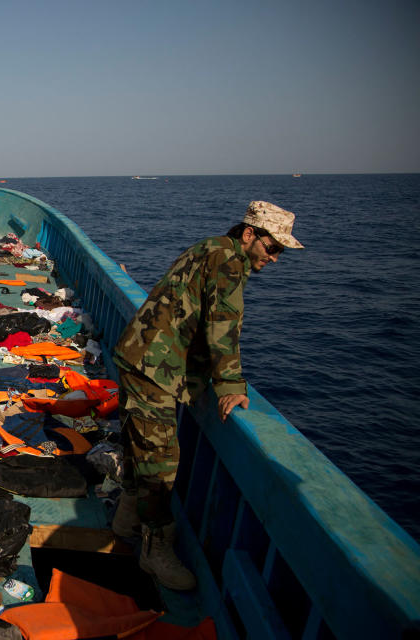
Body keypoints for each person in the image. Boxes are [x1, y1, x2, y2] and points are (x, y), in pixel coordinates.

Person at [110, 200, 303, 590]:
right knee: (159, 463)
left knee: (140, 446)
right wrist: (230, 383)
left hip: (141, 357)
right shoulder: (229, 262)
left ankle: (126, 518)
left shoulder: (212, 248)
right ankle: (154, 551)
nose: (276, 258)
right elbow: (223, 326)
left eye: (281, 250)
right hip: (153, 369)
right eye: (273, 247)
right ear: (250, 234)